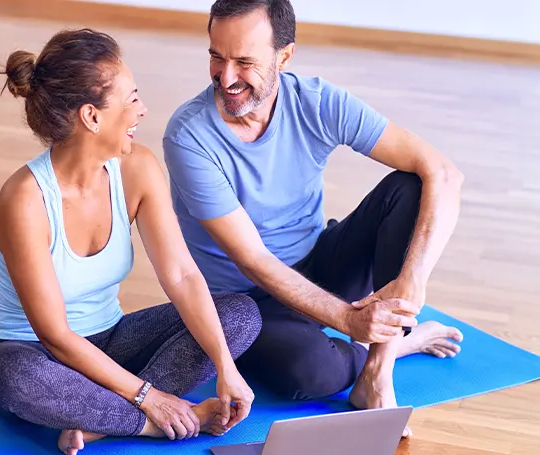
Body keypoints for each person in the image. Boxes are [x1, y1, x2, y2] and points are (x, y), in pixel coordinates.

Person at [163, 0, 465, 438]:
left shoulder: (318, 102)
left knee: (412, 186)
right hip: (247, 301)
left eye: (244, 62)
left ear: (284, 57)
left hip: (320, 261)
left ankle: (377, 373)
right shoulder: (189, 137)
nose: (225, 78)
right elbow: (254, 261)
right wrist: (349, 321)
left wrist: (413, 280)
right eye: (216, 56)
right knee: (308, 374)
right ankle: (399, 343)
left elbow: (443, 172)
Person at [0, 28, 263, 455]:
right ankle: (149, 423)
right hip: (35, 353)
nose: (142, 110)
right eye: (130, 99)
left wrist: (224, 366)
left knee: (239, 315)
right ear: (91, 116)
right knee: (8, 375)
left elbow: (182, 275)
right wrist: (151, 399)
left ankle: (99, 422)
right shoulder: (24, 200)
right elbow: (54, 336)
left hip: (111, 341)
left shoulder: (137, 169)